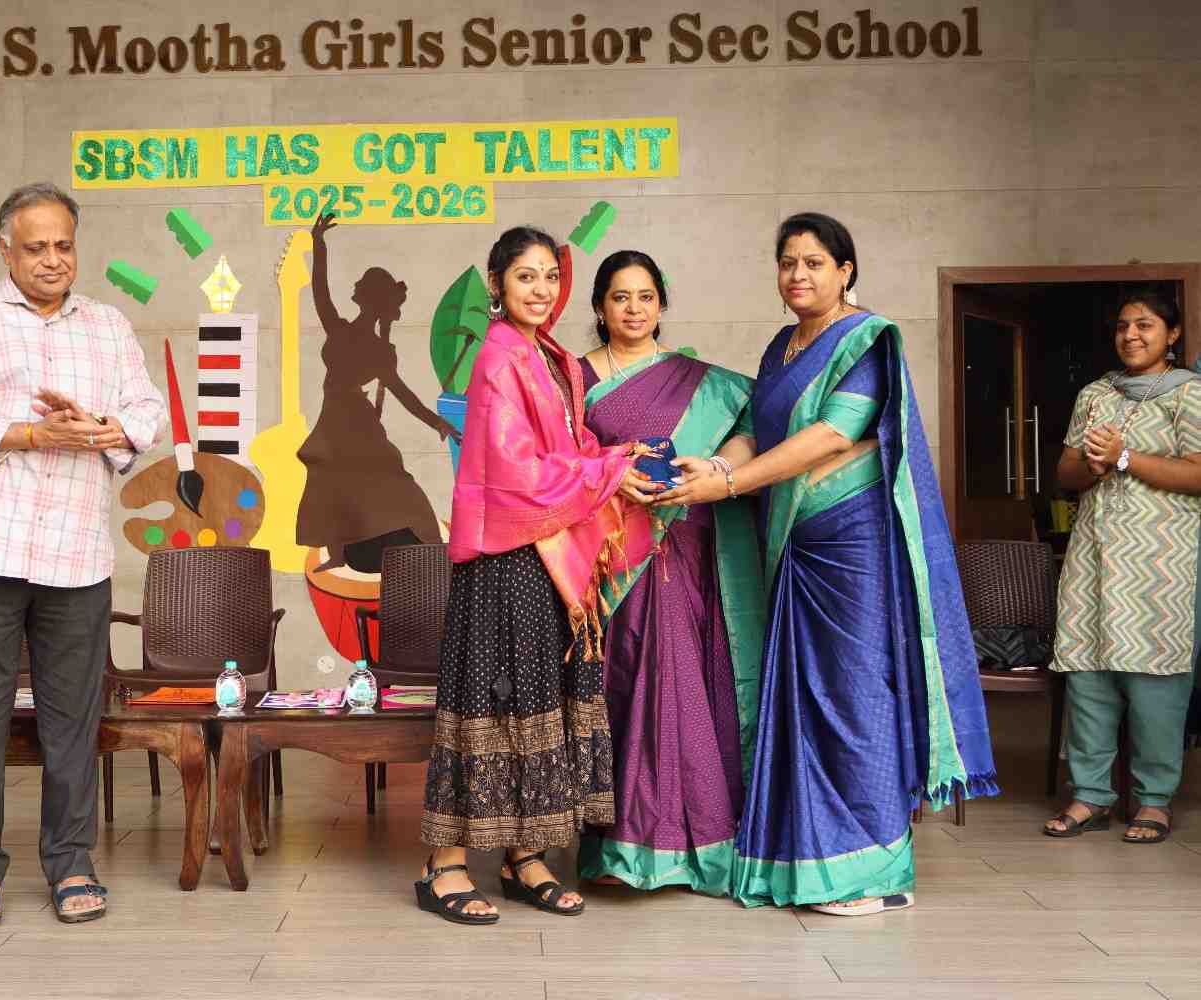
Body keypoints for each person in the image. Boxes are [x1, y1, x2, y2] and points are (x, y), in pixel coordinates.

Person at [658, 212, 997, 914]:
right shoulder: (782, 347)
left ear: (845, 271)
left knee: (853, 695)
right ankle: (806, 857)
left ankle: (870, 870)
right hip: (796, 545)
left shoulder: (864, 339)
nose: (798, 275)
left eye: (814, 262)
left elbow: (832, 434)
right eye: (787, 262)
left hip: (851, 547)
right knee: (801, 698)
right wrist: (715, 465)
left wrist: (729, 483)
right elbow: (757, 431)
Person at [0, 181, 164, 927]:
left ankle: (71, 861)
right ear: (5, 249)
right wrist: (32, 433)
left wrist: (102, 426)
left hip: (77, 553)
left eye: (64, 245)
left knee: (72, 719)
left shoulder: (109, 325)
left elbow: (145, 411)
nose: (53, 260)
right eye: (36, 247)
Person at [416, 226, 656, 924]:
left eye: (551, 276)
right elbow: (516, 473)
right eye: (526, 277)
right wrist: (605, 473)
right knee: (488, 706)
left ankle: (525, 857)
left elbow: (571, 447)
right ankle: (443, 867)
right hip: (505, 558)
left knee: (536, 702)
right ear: (497, 285)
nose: (542, 289)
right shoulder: (498, 357)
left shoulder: (552, 357)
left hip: (549, 553)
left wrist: (616, 458)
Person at [574, 251, 765, 895]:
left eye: (646, 297)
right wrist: (611, 477)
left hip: (686, 543)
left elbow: (749, 427)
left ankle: (697, 837)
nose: (634, 309)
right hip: (610, 553)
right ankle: (618, 843)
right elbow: (557, 459)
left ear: (662, 304)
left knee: (685, 677)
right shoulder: (572, 379)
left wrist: (713, 467)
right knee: (622, 682)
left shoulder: (702, 381)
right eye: (620, 297)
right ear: (599, 307)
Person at [1043, 289, 1201, 844]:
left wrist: (1127, 457)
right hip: (1092, 558)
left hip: (1162, 563)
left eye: (1145, 325)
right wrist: (1093, 466)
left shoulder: (1190, 394)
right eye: (1122, 326)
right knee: (1087, 676)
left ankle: (1154, 800)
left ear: (1172, 334)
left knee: (1156, 682)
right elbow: (1065, 471)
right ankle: (1091, 795)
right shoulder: (1095, 394)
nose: (1130, 335)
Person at [297, 212, 460, 572]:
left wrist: (437, 422)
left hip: (356, 421)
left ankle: (429, 542)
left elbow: (402, 393)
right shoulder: (343, 331)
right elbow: (320, 292)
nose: (356, 287)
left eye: (363, 285)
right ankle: (339, 553)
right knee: (330, 482)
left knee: (393, 480)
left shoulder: (377, 348)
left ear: (368, 297)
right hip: (336, 419)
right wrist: (318, 245)